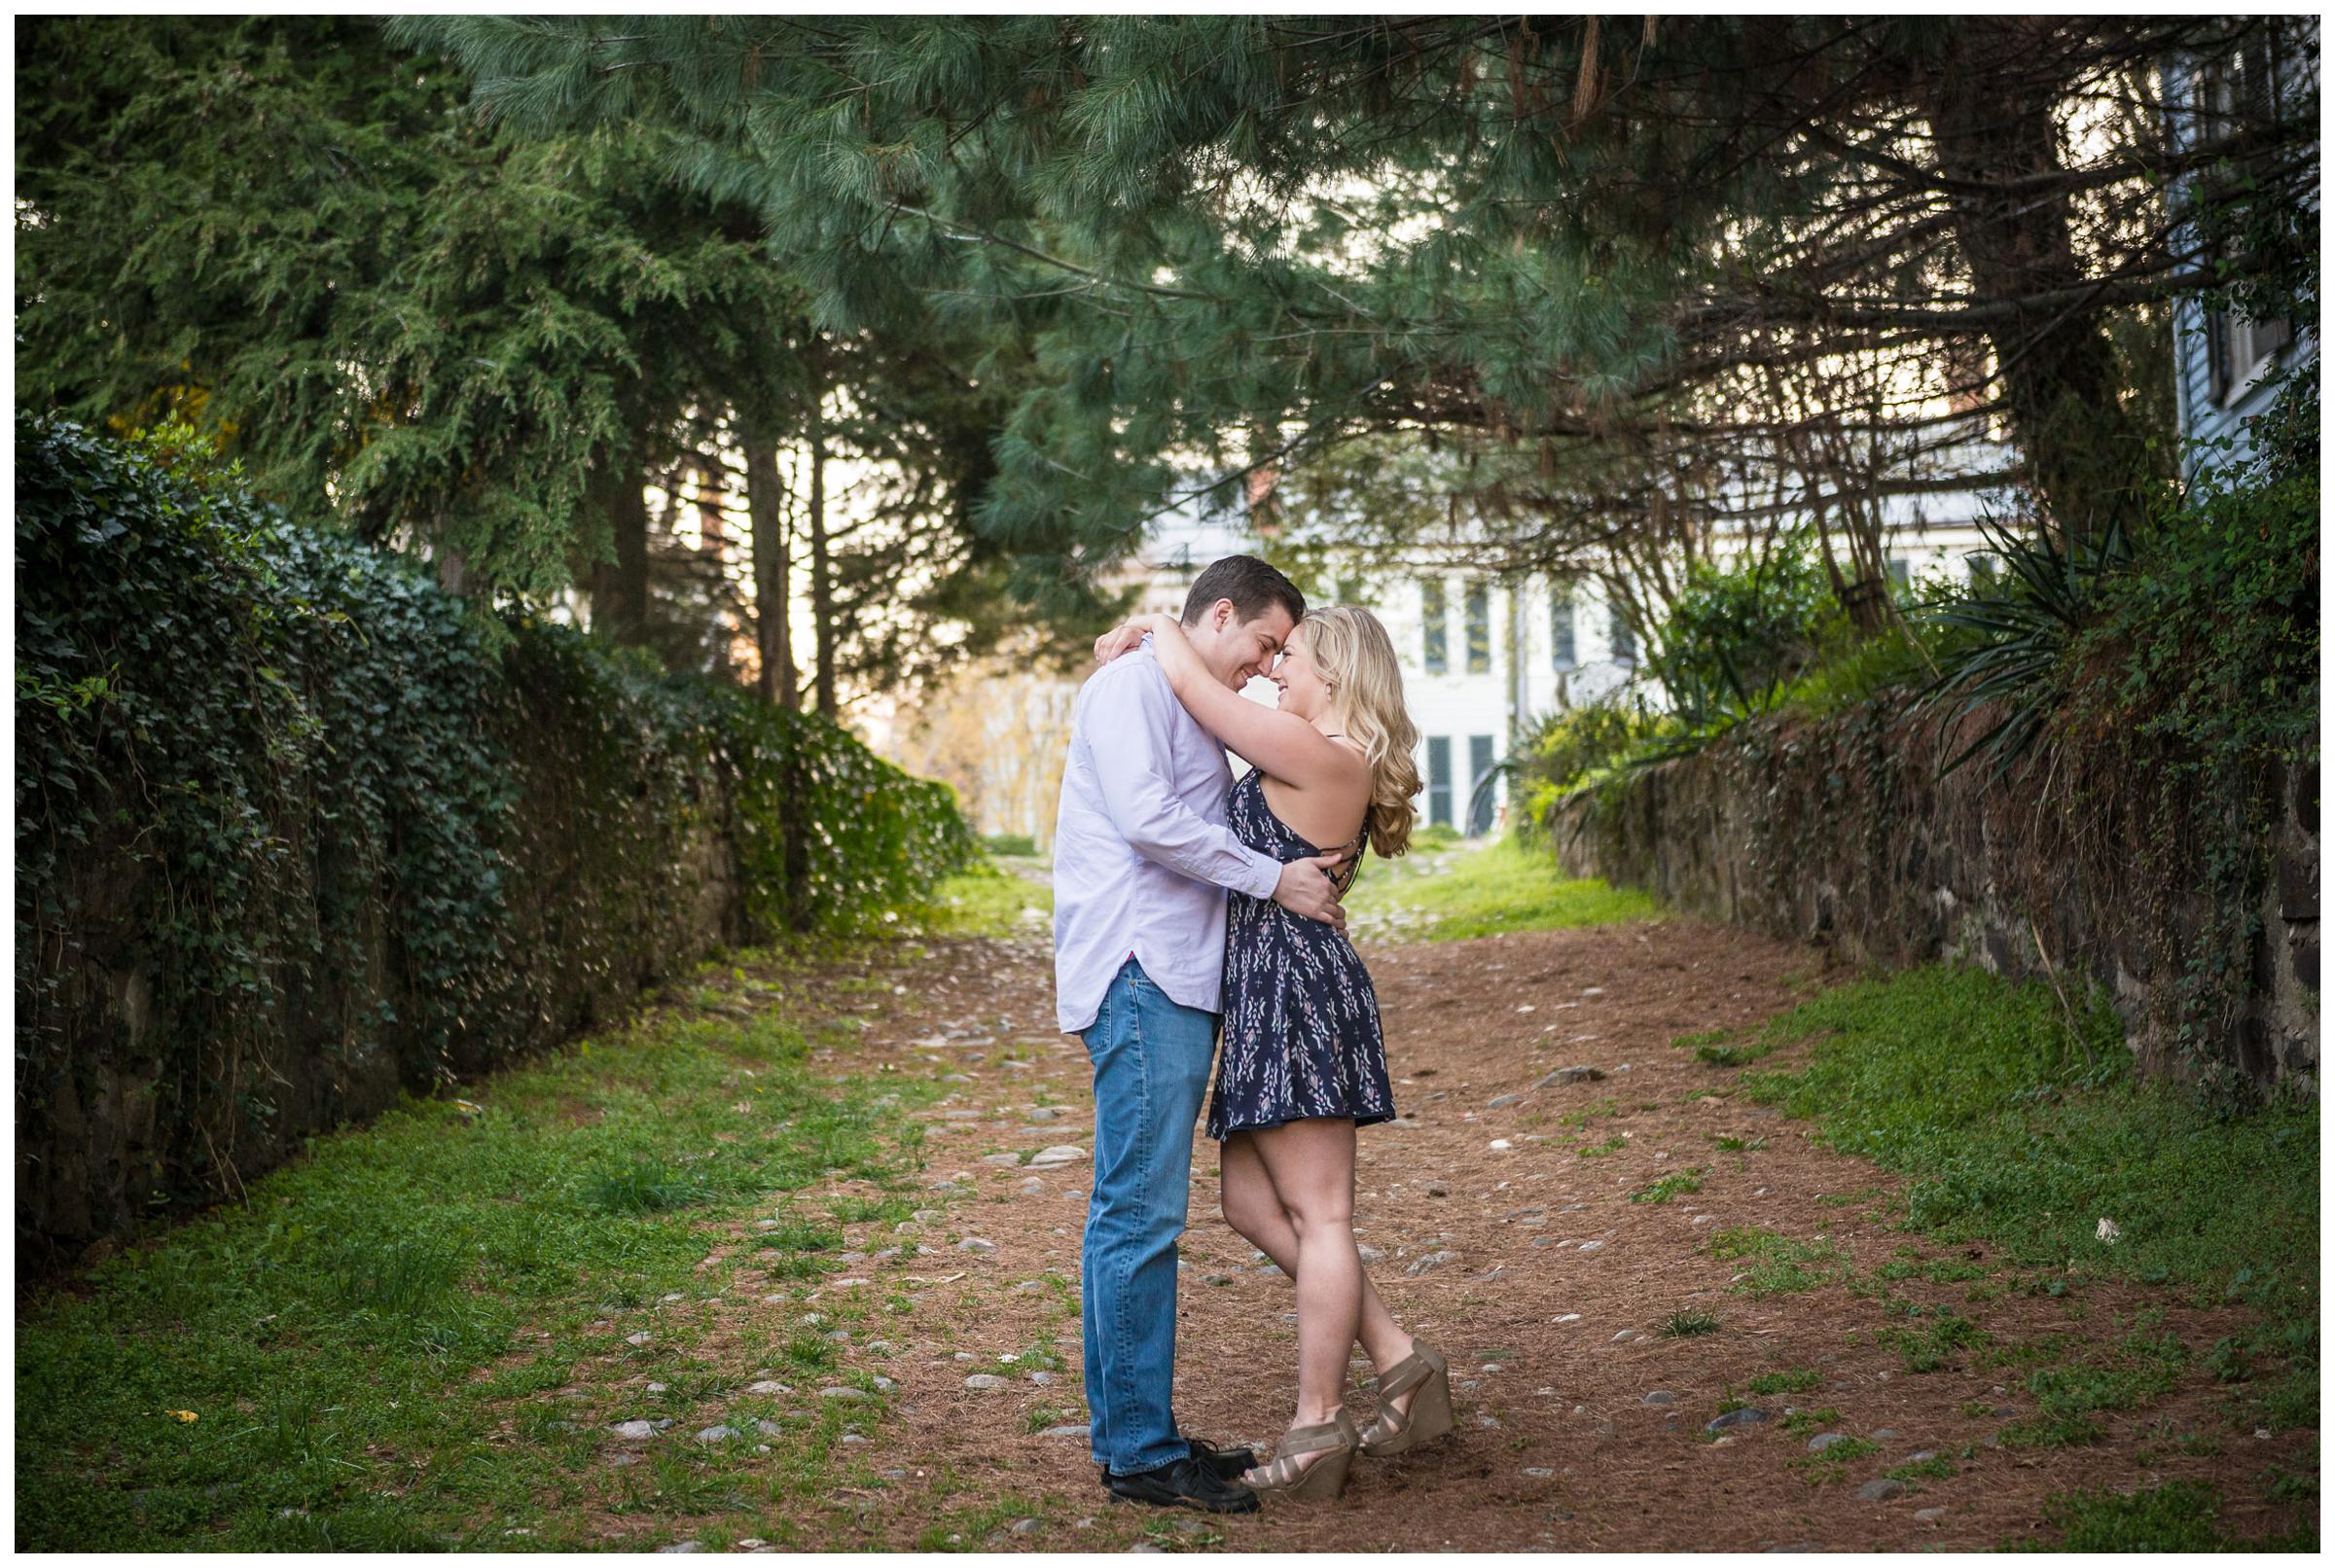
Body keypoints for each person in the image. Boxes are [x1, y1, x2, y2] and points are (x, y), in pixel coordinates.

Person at [1092, 599, 1453, 1501]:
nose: (1271, 671)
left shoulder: (1329, 755)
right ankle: (1403, 1361)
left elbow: (1196, 690)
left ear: (1333, 671)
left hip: (1298, 993)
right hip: (1263, 992)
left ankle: (1316, 1424)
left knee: (1323, 1216)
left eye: (1287, 656)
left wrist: (1149, 622)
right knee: (1252, 1204)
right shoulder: (1304, 749)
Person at [1052, 554, 1351, 1515]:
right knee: (1139, 1219)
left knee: (1129, 1214)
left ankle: (1134, 1434)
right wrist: (1278, 881)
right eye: (1264, 642)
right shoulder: (1132, 688)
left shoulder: (1172, 686)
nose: (1267, 667)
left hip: (1169, 977)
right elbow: (1148, 822)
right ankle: (1139, 1452)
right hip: (1140, 973)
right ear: (1219, 614)